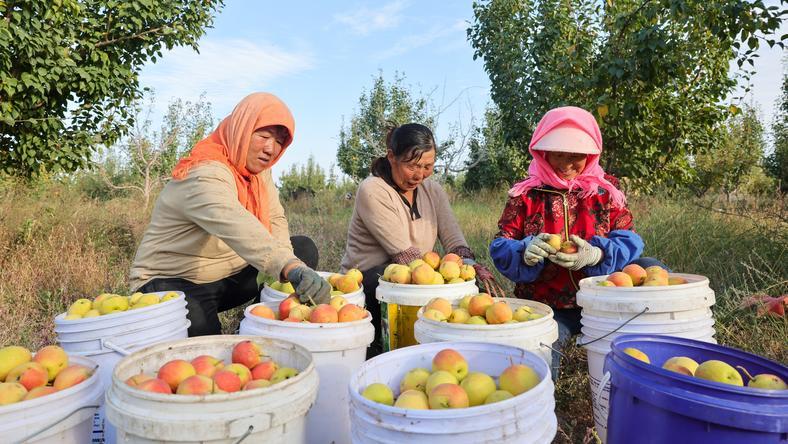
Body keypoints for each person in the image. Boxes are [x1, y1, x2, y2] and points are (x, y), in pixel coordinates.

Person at [129, 92, 330, 336]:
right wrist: (288, 266)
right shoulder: (205, 171)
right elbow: (236, 224)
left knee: (302, 249)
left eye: (279, 142)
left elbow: (274, 218)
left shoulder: (257, 172)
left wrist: (292, 261)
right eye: (264, 136)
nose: (271, 148)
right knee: (207, 352)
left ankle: (264, 324)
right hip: (172, 281)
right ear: (242, 130)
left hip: (225, 276)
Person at [488, 106, 666, 376]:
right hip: (549, 305)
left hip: (604, 300)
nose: (566, 164)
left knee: (650, 266)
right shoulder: (526, 195)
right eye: (558, 154)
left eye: (576, 156)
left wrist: (596, 255)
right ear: (542, 152)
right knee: (541, 358)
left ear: (591, 154)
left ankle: (658, 361)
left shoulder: (605, 192)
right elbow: (502, 244)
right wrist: (525, 251)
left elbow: (629, 239)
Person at [340, 123, 504, 357]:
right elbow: (404, 255)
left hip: (417, 277)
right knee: (388, 278)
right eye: (413, 166)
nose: (420, 174)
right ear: (391, 157)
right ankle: (380, 345)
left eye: (428, 166)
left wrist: (468, 266)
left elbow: (453, 238)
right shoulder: (373, 190)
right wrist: (445, 280)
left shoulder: (433, 190)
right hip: (371, 281)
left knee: (470, 286)